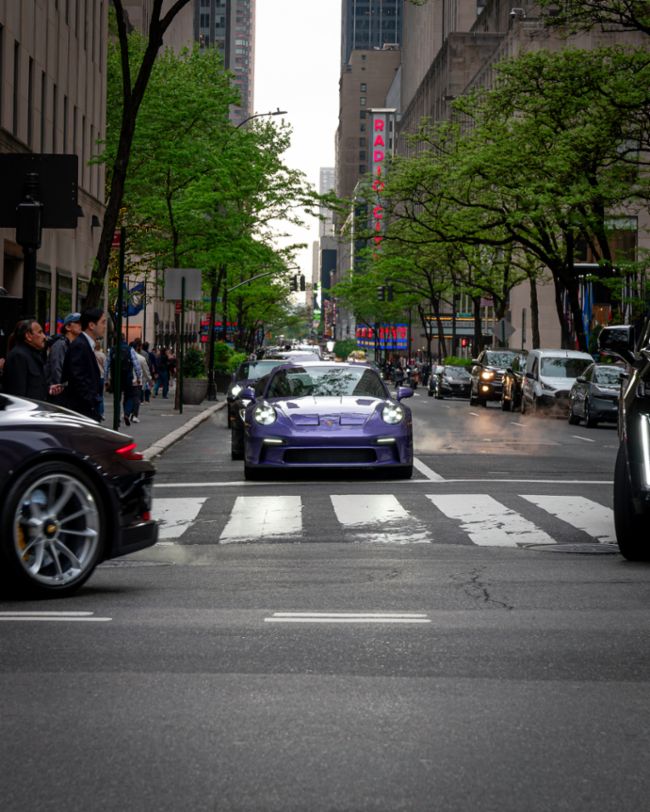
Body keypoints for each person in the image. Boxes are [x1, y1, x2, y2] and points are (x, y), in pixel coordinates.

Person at [60, 307, 107, 420]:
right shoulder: (80, 346)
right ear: (91, 325)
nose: (105, 326)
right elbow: (78, 379)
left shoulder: (85, 344)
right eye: (103, 322)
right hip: (82, 410)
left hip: (84, 408)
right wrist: (91, 403)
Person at [2, 319, 64, 401]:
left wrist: (48, 389)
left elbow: (34, 387)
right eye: (40, 332)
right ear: (28, 336)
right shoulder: (18, 356)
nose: (44, 336)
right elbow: (17, 396)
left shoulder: (33, 354)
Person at [105, 334, 142, 426]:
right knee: (128, 396)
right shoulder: (130, 349)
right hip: (127, 376)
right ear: (124, 339)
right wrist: (138, 376)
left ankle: (117, 418)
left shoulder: (112, 350)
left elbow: (107, 365)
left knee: (116, 399)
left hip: (116, 377)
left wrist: (106, 378)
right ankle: (126, 413)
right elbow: (136, 364)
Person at [45, 312, 82, 404]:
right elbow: (57, 371)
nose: (81, 325)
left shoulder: (73, 345)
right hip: (59, 396)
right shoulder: (60, 344)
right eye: (78, 322)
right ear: (68, 327)